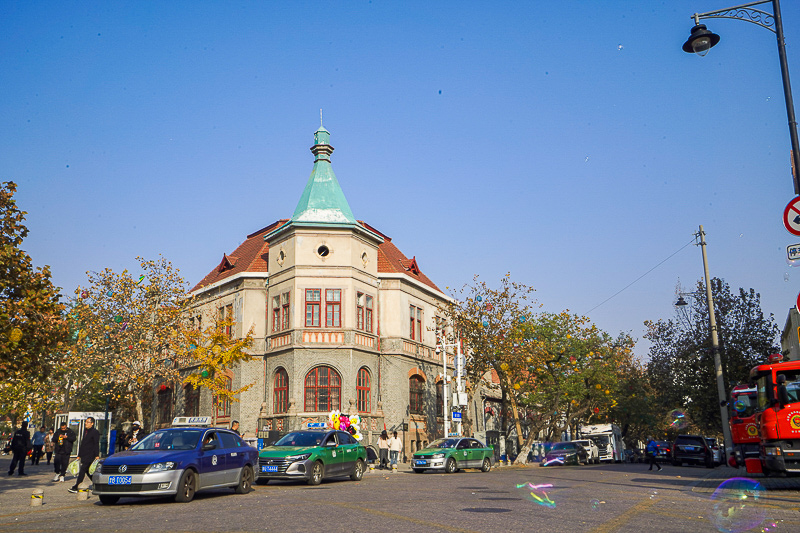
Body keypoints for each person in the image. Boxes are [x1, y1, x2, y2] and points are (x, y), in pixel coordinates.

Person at [69, 417, 100, 493]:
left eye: (87, 422)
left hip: (90, 455)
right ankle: (97, 484)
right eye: (86, 422)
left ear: (92, 423)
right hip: (84, 454)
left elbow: (96, 444)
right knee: (87, 471)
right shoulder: (86, 431)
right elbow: (83, 444)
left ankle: (76, 486)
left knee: (82, 470)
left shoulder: (95, 432)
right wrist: (79, 455)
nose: (86, 423)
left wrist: (97, 455)